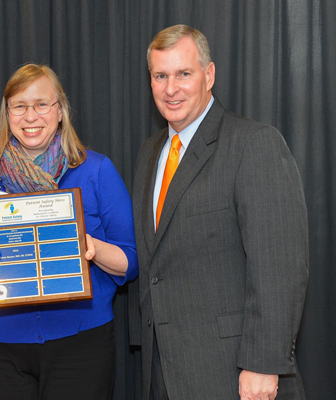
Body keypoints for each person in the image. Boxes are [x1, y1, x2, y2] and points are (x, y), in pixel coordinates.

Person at [128, 24, 308, 400]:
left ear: (209, 75)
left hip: (234, 372)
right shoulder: (150, 153)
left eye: (184, 74)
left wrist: (263, 363)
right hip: (162, 373)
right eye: (160, 76)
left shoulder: (253, 144)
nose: (170, 88)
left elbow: (278, 265)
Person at [0, 63, 138, 400]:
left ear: (59, 111)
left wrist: (90, 247)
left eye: (41, 104)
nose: (30, 116)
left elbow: (131, 261)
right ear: (7, 114)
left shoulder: (96, 171)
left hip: (81, 345)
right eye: (19, 106)